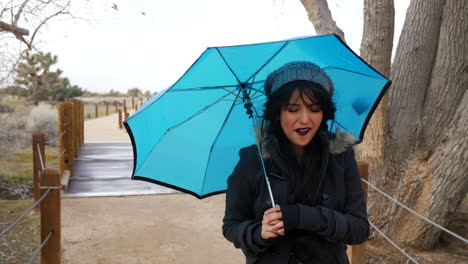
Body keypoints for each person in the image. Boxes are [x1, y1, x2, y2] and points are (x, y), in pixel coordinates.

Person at [222, 61, 369, 263]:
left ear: (324, 113)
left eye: (314, 109)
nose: (305, 119)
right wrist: (259, 232)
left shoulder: (340, 157)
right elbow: (232, 225)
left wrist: (302, 216)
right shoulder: (253, 160)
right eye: (293, 109)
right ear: (278, 113)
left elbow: (359, 230)